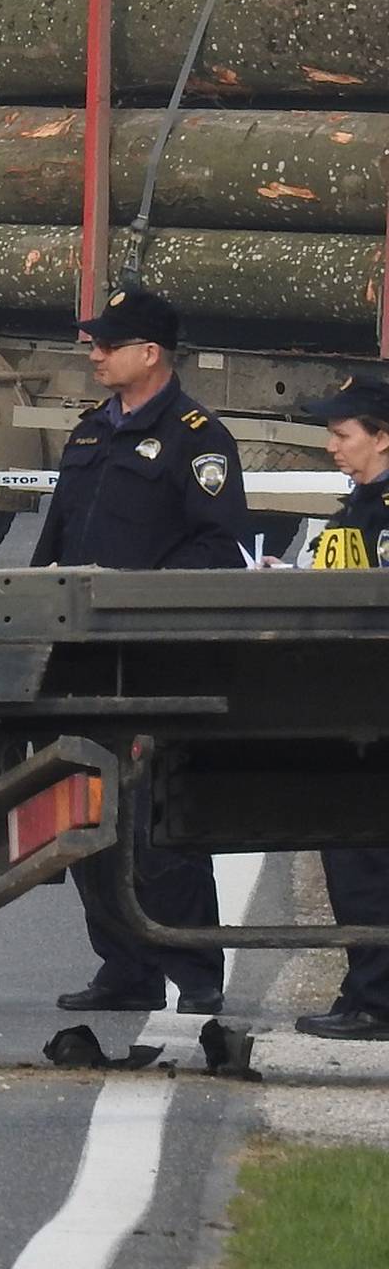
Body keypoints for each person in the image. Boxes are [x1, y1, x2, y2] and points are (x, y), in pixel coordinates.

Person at [35, 286, 246, 1017]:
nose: (92, 353)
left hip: (153, 658)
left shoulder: (198, 439)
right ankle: (124, 968)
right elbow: (57, 537)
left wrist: (147, 604)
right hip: (81, 656)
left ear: (149, 353)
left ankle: (194, 970)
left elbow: (218, 550)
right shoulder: (91, 431)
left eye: (106, 343)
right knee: (85, 814)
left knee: (160, 823)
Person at [291, 373, 389, 1040]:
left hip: (374, 708)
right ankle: (365, 989)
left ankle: (378, 1001)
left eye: (343, 433)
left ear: (383, 438)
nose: (331, 445)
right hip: (352, 704)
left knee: (367, 856)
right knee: (354, 855)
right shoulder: (359, 505)